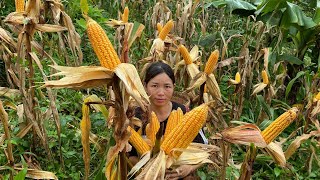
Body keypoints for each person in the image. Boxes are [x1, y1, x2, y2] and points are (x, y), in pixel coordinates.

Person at [129, 61, 207, 179]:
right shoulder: (135, 116)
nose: (161, 93)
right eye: (154, 86)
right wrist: (151, 171)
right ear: (145, 86)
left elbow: (203, 149)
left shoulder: (185, 112)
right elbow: (129, 155)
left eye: (167, 86)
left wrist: (188, 168)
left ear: (173, 87)